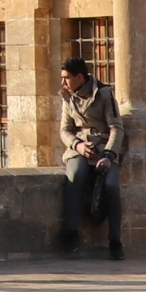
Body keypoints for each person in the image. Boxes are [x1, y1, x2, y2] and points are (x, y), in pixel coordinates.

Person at [56, 58, 127, 260]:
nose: (63, 83)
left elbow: (116, 127)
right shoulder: (67, 97)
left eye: (67, 78)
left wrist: (108, 155)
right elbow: (65, 130)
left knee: (111, 184)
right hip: (79, 147)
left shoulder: (104, 94)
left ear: (80, 77)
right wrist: (77, 145)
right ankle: (71, 233)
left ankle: (115, 240)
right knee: (75, 174)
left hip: (103, 147)